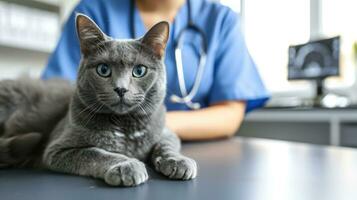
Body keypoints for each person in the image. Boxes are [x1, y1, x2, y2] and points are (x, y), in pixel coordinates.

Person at [42, 0, 270, 141]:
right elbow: (57, 93)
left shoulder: (220, 19)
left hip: (194, 151)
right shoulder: (94, 10)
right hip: (98, 142)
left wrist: (149, 128)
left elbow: (229, 114)